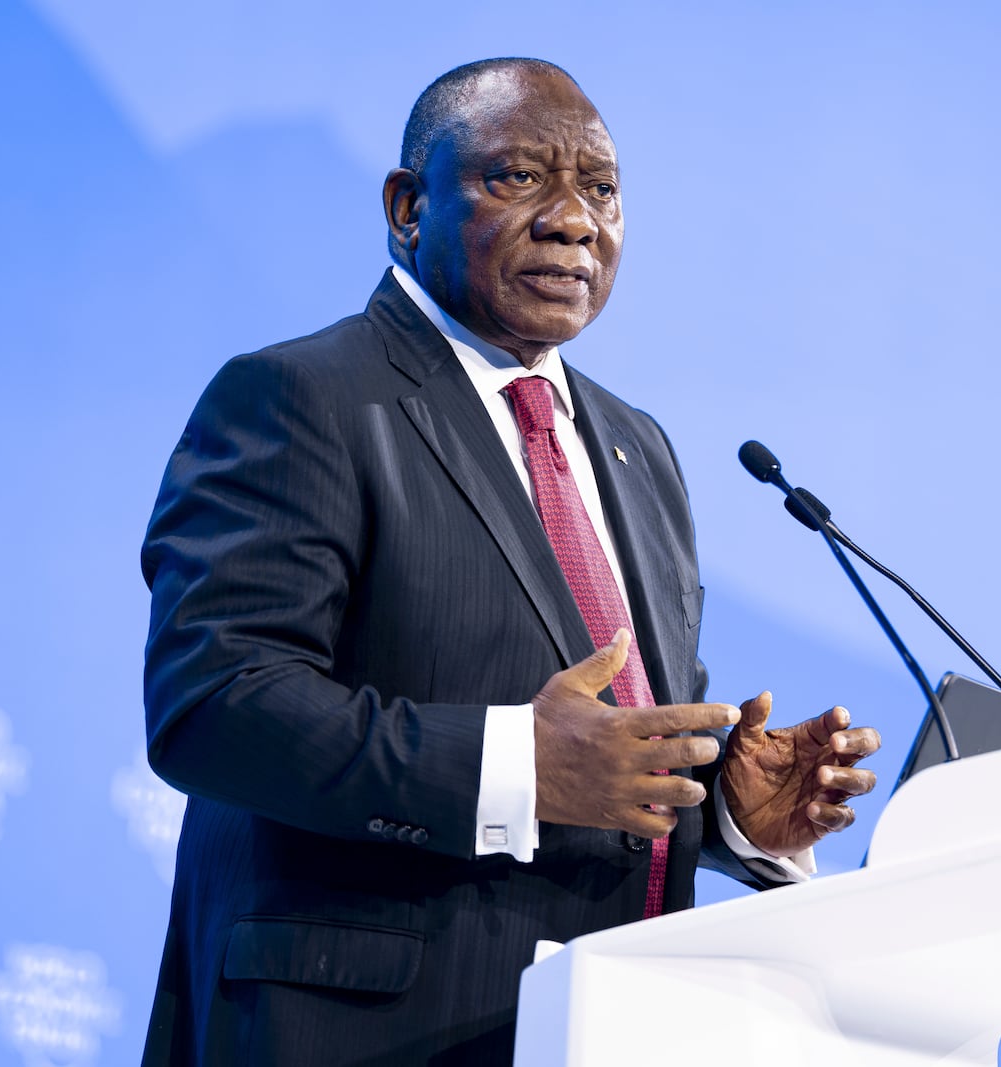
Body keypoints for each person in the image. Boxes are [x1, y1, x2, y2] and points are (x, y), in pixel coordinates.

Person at [138, 57, 880, 1065]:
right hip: (362, 1033)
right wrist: (514, 766)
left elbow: (620, 756)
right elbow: (214, 706)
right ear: (408, 209)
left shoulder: (635, 444)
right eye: (519, 178)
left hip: (605, 1029)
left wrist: (732, 812)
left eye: (602, 189)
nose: (575, 220)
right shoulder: (301, 396)